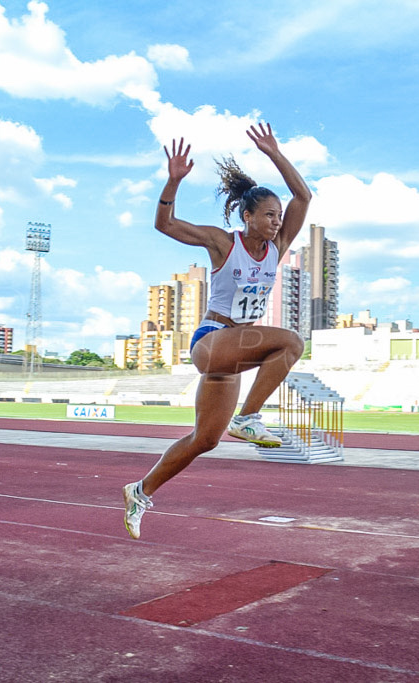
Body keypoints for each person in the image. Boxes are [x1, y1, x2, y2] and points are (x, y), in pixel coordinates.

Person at [122, 123, 312, 539]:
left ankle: (140, 491)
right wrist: (172, 182)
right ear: (247, 217)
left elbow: (304, 196)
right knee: (292, 342)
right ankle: (248, 417)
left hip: (234, 354)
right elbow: (165, 225)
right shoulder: (224, 243)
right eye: (268, 215)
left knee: (205, 439)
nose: (277, 221)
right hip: (211, 340)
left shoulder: (277, 249)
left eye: (279, 216)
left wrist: (275, 154)